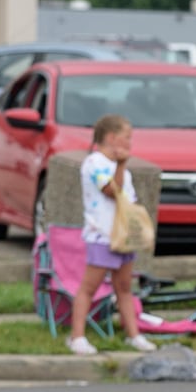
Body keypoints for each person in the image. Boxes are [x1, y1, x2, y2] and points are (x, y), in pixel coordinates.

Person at [67, 113, 157, 356]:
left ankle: (134, 334)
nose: (130, 142)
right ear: (111, 137)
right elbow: (110, 191)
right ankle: (77, 336)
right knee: (89, 287)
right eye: (127, 137)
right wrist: (121, 165)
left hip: (122, 236)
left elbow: (127, 199)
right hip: (102, 236)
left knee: (124, 287)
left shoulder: (122, 170)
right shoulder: (94, 163)